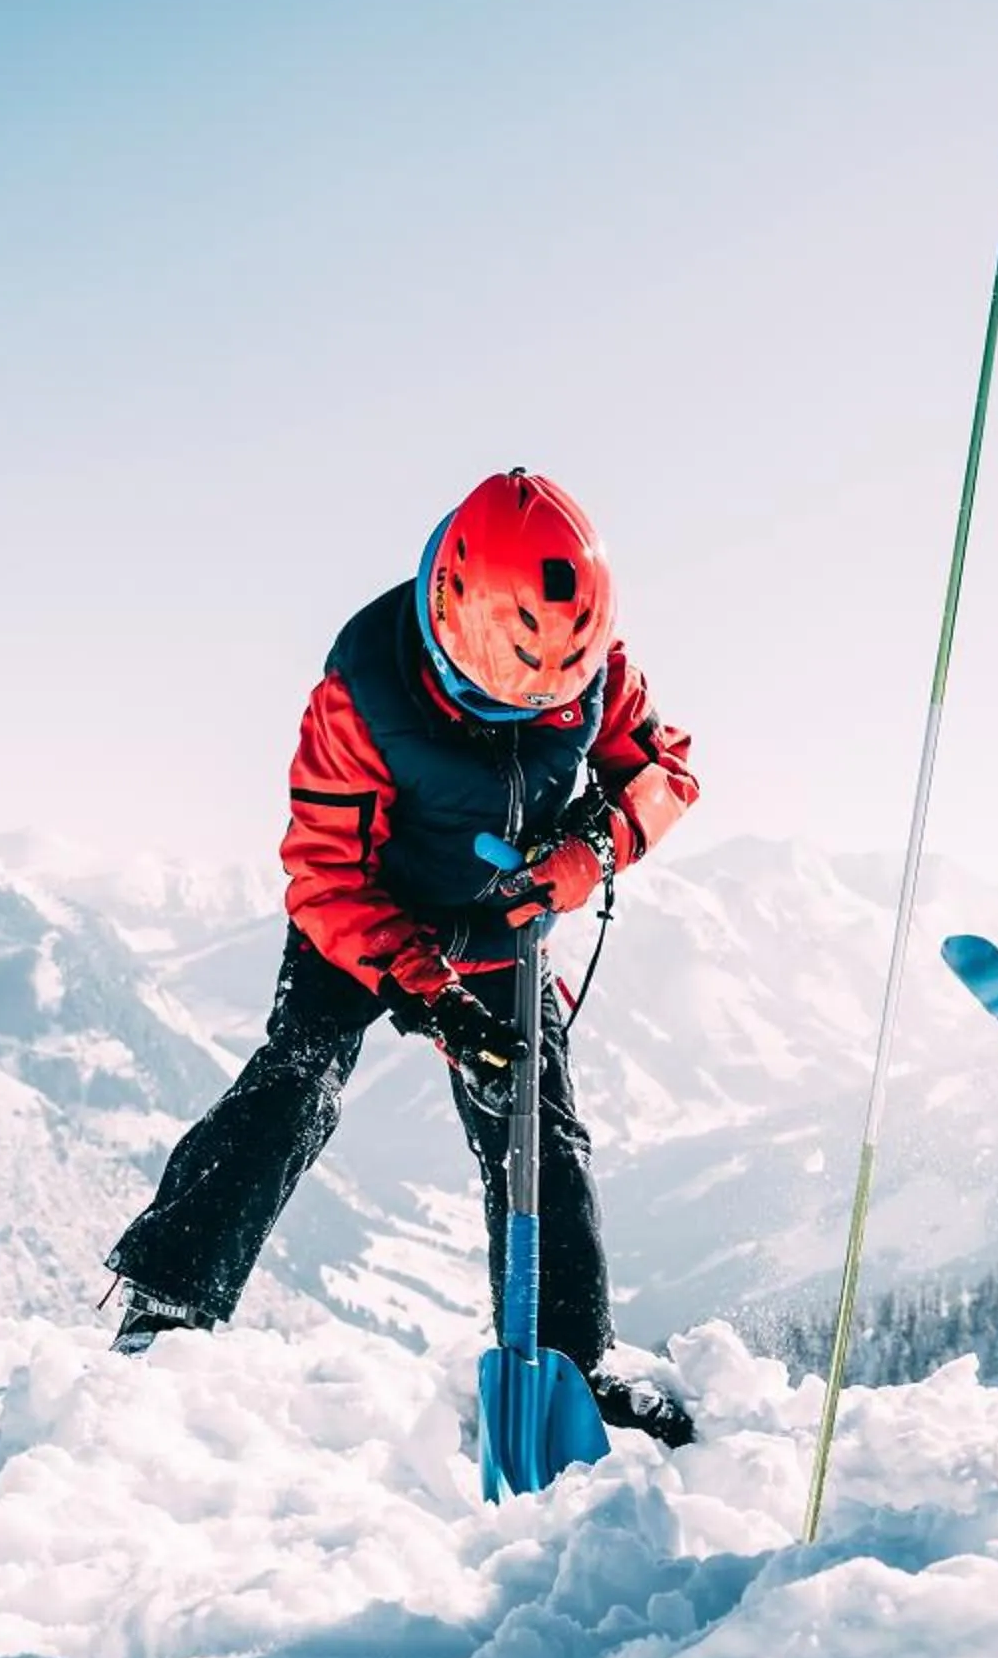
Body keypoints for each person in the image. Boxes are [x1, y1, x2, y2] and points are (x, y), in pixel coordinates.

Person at [104, 468, 701, 1444]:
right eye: (517, 682)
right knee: (295, 1085)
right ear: (456, 618)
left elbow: (665, 772)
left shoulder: (592, 672)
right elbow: (326, 873)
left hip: (505, 912)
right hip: (365, 912)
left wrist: (591, 850)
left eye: (559, 684)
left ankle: (571, 1364)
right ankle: (168, 1301)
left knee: (539, 1124)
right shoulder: (366, 688)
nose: (538, 700)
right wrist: (434, 1001)